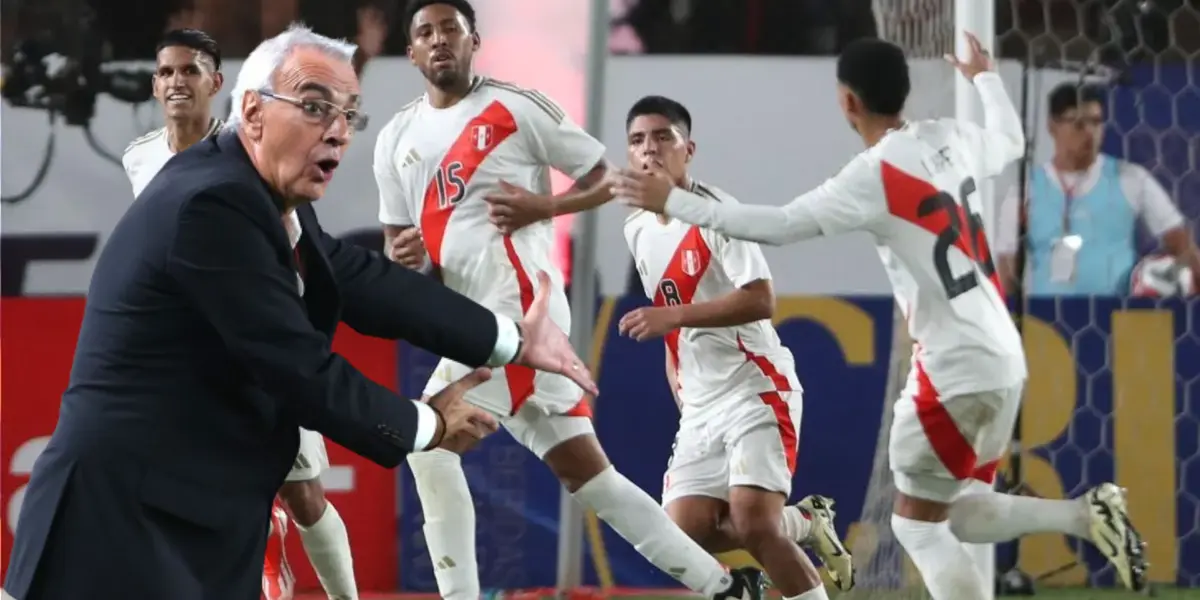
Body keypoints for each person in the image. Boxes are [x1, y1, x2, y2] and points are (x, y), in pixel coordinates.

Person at [2, 23, 594, 600]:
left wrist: (510, 338)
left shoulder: (258, 188)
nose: (338, 131)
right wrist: (429, 425)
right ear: (253, 112)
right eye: (315, 107)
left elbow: (357, 277)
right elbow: (299, 368)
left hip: (191, 516)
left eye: (348, 114)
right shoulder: (213, 203)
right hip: (116, 527)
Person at [613, 35, 1148, 600]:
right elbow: (1012, 141)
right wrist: (985, 78)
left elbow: (778, 224)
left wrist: (672, 202)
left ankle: (1087, 516)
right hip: (1005, 354)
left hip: (948, 364)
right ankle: (1086, 516)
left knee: (916, 524)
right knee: (956, 513)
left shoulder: (872, 175)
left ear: (848, 103)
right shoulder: (948, 137)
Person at [377, 1, 763, 598]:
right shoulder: (395, 137)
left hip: (523, 320)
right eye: (425, 32)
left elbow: (605, 179)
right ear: (410, 52)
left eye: (450, 28)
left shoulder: (514, 108)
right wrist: (405, 257)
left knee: (427, 443)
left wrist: (543, 207)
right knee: (594, 479)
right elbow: (400, 245)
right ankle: (727, 587)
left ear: (474, 39)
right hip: (472, 323)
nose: (439, 40)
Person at [122, 28, 362, 600]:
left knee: (303, 495)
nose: (178, 81)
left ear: (217, 83)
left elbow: (300, 247)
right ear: (155, 85)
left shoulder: (252, 151)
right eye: (168, 72)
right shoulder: (139, 159)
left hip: (258, 339)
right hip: (184, 357)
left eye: (190, 71)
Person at [619, 95, 852, 600]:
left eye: (663, 137)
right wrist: (683, 393)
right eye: (638, 140)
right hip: (702, 406)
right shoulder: (636, 228)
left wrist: (673, 317)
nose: (649, 149)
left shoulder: (719, 214)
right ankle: (806, 522)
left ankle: (791, 539)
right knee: (683, 533)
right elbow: (671, 319)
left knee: (753, 523)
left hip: (756, 387)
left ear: (689, 149)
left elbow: (761, 299)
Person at [995, 82, 1200, 296]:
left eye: (1096, 122)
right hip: (1045, 323)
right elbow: (1007, 266)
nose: (1090, 132)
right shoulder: (1027, 190)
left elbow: (1180, 240)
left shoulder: (1129, 178)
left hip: (1117, 321)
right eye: (1078, 124)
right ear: (1052, 126)